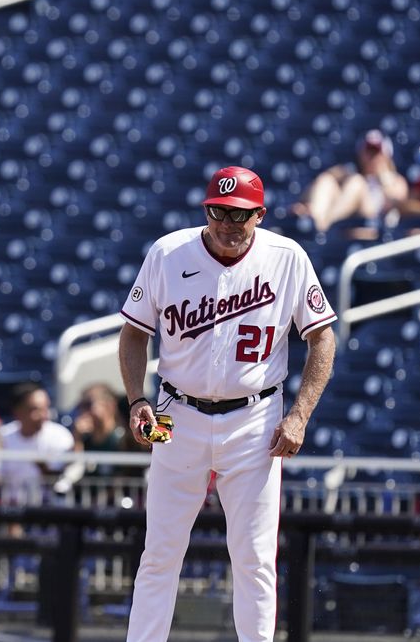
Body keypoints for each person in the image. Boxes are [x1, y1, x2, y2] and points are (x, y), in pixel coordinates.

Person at [119, 166, 337, 642]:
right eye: (219, 211)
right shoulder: (168, 252)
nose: (227, 223)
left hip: (255, 419)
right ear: (206, 209)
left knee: (255, 556)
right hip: (175, 414)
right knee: (160, 550)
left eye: (239, 214)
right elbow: (135, 333)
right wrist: (137, 398)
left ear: (259, 214)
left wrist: (299, 414)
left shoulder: (287, 257)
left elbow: (322, 338)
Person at [293, 129, 409, 234]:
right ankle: (315, 217)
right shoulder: (350, 171)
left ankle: (321, 225)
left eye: (376, 152)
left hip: (373, 226)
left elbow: (397, 204)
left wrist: (383, 178)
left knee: (357, 183)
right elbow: (322, 180)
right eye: (368, 151)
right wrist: (306, 202)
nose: (371, 157)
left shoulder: (396, 180)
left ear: (386, 154)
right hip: (346, 219)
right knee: (327, 181)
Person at [0, 382, 75, 505]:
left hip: (47, 510)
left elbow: (60, 480)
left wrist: (43, 468)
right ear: (18, 412)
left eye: (46, 408)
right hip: (9, 508)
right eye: (36, 409)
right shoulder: (3, 436)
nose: (44, 415)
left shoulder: (60, 436)